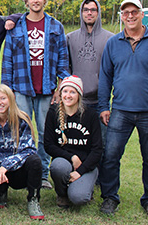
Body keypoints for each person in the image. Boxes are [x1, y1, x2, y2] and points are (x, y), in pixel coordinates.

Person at [98, 0, 148, 221]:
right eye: (126, 13)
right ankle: (110, 197)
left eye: (134, 12)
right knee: (111, 155)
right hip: (121, 110)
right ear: (121, 16)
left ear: (142, 14)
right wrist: (104, 106)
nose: (130, 16)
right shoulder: (114, 43)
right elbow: (105, 77)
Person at [1, 0, 70, 189]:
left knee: (44, 132)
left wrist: (61, 87)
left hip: (47, 89)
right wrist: (7, 90)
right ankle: (21, 170)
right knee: (22, 131)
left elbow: (63, 60)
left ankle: (42, 174)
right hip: (21, 88)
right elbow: (8, 60)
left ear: (44, 0)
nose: (36, 1)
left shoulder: (56, 26)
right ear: (27, 1)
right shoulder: (17, 26)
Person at [0, 84, 44, 220]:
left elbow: (28, 150)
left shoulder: (22, 120)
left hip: (18, 171)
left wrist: (5, 166)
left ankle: (33, 199)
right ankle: (1, 193)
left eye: (3, 98)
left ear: (11, 99)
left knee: (35, 161)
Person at [44, 76, 102, 208]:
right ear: (60, 93)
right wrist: (71, 157)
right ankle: (62, 194)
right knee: (57, 167)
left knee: (78, 198)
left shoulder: (90, 115)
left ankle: (84, 188)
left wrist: (80, 171)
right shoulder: (53, 113)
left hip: (86, 166)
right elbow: (49, 145)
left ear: (79, 95)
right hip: (64, 162)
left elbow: (97, 149)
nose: (68, 96)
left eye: (72, 92)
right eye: (65, 91)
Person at [66, 0, 114, 111]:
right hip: (76, 100)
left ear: (98, 13)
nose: (89, 13)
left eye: (93, 10)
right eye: (86, 10)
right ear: (81, 12)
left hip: (100, 101)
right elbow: (65, 66)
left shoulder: (110, 39)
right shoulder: (70, 38)